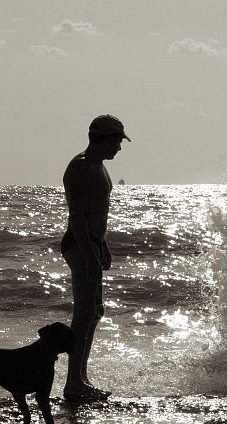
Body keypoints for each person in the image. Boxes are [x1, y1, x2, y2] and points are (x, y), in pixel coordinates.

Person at [60, 114, 130, 402]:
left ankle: (81, 379)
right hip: (79, 247)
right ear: (105, 139)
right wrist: (89, 255)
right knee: (84, 314)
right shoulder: (80, 167)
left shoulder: (99, 166)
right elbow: (76, 217)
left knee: (95, 312)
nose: (120, 148)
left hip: (92, 245)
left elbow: (97, 214)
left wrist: (104, 246)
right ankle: (73, 384)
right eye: (118, 141)